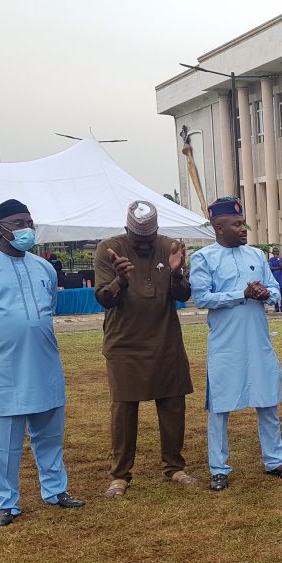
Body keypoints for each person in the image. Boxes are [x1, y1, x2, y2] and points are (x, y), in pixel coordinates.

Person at [0, 199, 84, 526]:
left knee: (50, 434)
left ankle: (56, 490)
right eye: (18, 223)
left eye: (29, 222)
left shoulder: (44, 267)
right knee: (1, 444)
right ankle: (5, 503)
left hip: (44, 364)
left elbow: (49, 308)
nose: (26, 229)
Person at [189, 196, 282, 490]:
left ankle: (275, 461)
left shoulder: (256, 255)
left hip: (258, 340)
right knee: (220, 407)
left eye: (243, 224)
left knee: (268, 400)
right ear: (219, 227)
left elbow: (275, 289)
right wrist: (241, 294)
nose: (244, 229)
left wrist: (266, 294)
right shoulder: (203, 258)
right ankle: (219, 468)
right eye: (237, 224)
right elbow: (202, 298)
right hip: (225, 345)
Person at [94, 200, 198, 498]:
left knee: (173, 404)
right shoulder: (109, 248)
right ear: (127, 230)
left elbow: (183, 295)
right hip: (124, 343)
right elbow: (103, 298)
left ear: (157, 231)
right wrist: (120, 280)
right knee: (124, 409)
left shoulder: (169, 246)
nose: (144, 244)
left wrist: (177, 272)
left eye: (149, 238)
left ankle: (174, 467)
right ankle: (120, 475)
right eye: (138, 238)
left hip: (166, 340)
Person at [268, 245, 282, 312]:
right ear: (273, 253)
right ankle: (276, 308)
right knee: (275, 294)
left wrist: (278, 260)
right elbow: (270, 268)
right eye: (274, 251)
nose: (275, 253)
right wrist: (279, 268)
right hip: (274, 280)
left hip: (281, 279)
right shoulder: (271, 260)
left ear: (279, 252)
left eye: (277, 251)